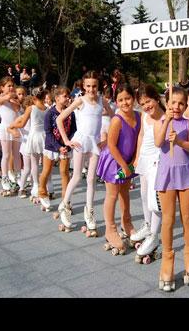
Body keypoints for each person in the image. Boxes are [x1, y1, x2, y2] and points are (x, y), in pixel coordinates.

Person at [56, 70, 115, 234]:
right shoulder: (79, 100)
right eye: (88, 86)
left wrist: (107, 138)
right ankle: (65, 205)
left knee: (91, 179)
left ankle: (89, 212)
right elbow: (59, 119)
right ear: (83, 86)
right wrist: (67, 141)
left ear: (99, 86)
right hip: (81, 141)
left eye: (94, 86)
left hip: (95, 142)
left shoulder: (102, 101)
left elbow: (114, 118)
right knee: (76, 176)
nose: (91, 89)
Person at [154, 87, 189, 292]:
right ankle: (167, 260)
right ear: (167, 103)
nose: (177, 107)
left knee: (187, 218)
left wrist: (179, 141)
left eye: (181, 103)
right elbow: (157, 142)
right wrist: (167, 122)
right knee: (168, 219)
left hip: (186, 174)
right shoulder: (161, 122)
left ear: (186, 105)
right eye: (173, 102)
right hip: (166, 174)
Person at [97, 82, 140, 254]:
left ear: (133, 98)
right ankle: (110, 228)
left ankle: (127, 223)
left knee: (125, 193)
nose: (124, 103)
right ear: (116, 101)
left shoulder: (138, 116)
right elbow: (111, 145)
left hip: (128, 162)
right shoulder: (117, 120)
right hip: (114, 161)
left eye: (127, 98)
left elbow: (139, 139)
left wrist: (134, 161)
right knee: (113, 194)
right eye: (120, 100)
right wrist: (123, 165)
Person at [131, 84, 165, 263]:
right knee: (143, 195)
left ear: (157, 99)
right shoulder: (145, 115)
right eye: (142, 103)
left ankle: (154, 235)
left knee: (154, 200)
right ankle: (147, 224)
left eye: (148, 101)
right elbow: (141, 135)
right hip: (144, 158)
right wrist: (137, 156)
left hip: (157, 161)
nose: (146, 106)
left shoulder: (165, 118)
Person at [38, 86, 76, 211]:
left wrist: (66, 144)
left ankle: (66, 201)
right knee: (46, 171)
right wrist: (58, 146)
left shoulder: (71, 112)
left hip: (65, 147)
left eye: (68, 96)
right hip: (51, 146)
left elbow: (73, 129)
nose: (67, 98)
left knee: (64, 173)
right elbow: (48, 132)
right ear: (57, 98)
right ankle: (42, 193)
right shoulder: (50, 113)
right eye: (65, 96)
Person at [8, 86, 49, 203]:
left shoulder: (31, 108)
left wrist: (12, 126)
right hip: (44, 137)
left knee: (34, 164)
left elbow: (22, 124)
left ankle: (36, 186)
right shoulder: (46, 108)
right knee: (45, 164)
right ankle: (46, 187)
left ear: (34, 97)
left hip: (34, 136)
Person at [0, 76, 22, 196]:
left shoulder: (14, 99)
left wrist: (15, 99)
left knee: (16, 154)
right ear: (2, 88)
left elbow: (17, 108)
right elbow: (0, 100)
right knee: (6, 155)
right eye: (8, 86)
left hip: (15, 129)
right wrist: (10, 96)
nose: (11, 88)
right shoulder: (0, 98)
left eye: (12, 85)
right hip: (5, 129)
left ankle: (18, 175)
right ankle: (4, 177)